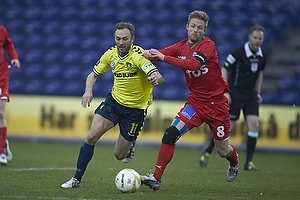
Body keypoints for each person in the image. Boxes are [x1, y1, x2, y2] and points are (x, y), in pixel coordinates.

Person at [140, 10, 239, 191]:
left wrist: (164, 58)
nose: (195, 30)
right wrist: (143, 53)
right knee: (170, 134)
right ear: (187, 27)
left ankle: (234, 161)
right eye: (192, 26)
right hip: (195, 103)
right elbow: (159, 54)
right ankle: (156, 178)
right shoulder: (181, 46)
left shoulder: (208, 45)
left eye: (199, 28)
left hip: (217, 105)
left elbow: (194, 64)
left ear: (204, 31)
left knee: (222, 151)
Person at [60, 22, 164, 188]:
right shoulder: (110, 54)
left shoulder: (138, 56)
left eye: (125, 39)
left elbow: (158, 76)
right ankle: (76, 179)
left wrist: (155, 79)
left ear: (132, 39)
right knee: (91, 136)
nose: (121, 42)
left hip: (135, 111)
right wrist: (88, 91)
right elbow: (92, 75)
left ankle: (130, 146)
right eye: (118, 39)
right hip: (113, 103)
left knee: (119, 155)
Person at [199, 25, 266, 172]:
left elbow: (260, 73)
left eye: (260, 38)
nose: (257, 41)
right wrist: (225, 90)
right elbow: (225, 67)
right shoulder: (238, 52)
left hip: (251, 96)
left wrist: (258, 92)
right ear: (250, 37)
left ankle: (248, 162)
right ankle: (207, 152)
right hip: (235, 94)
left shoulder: (262, 55)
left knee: (254, 124)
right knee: (228, 128)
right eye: (255, 37)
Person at [0, 25, 21, 165]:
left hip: (1, 76)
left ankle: (1, 151)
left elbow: (8, 43)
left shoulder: (1, 30)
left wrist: (14, 58)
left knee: (0, 114)